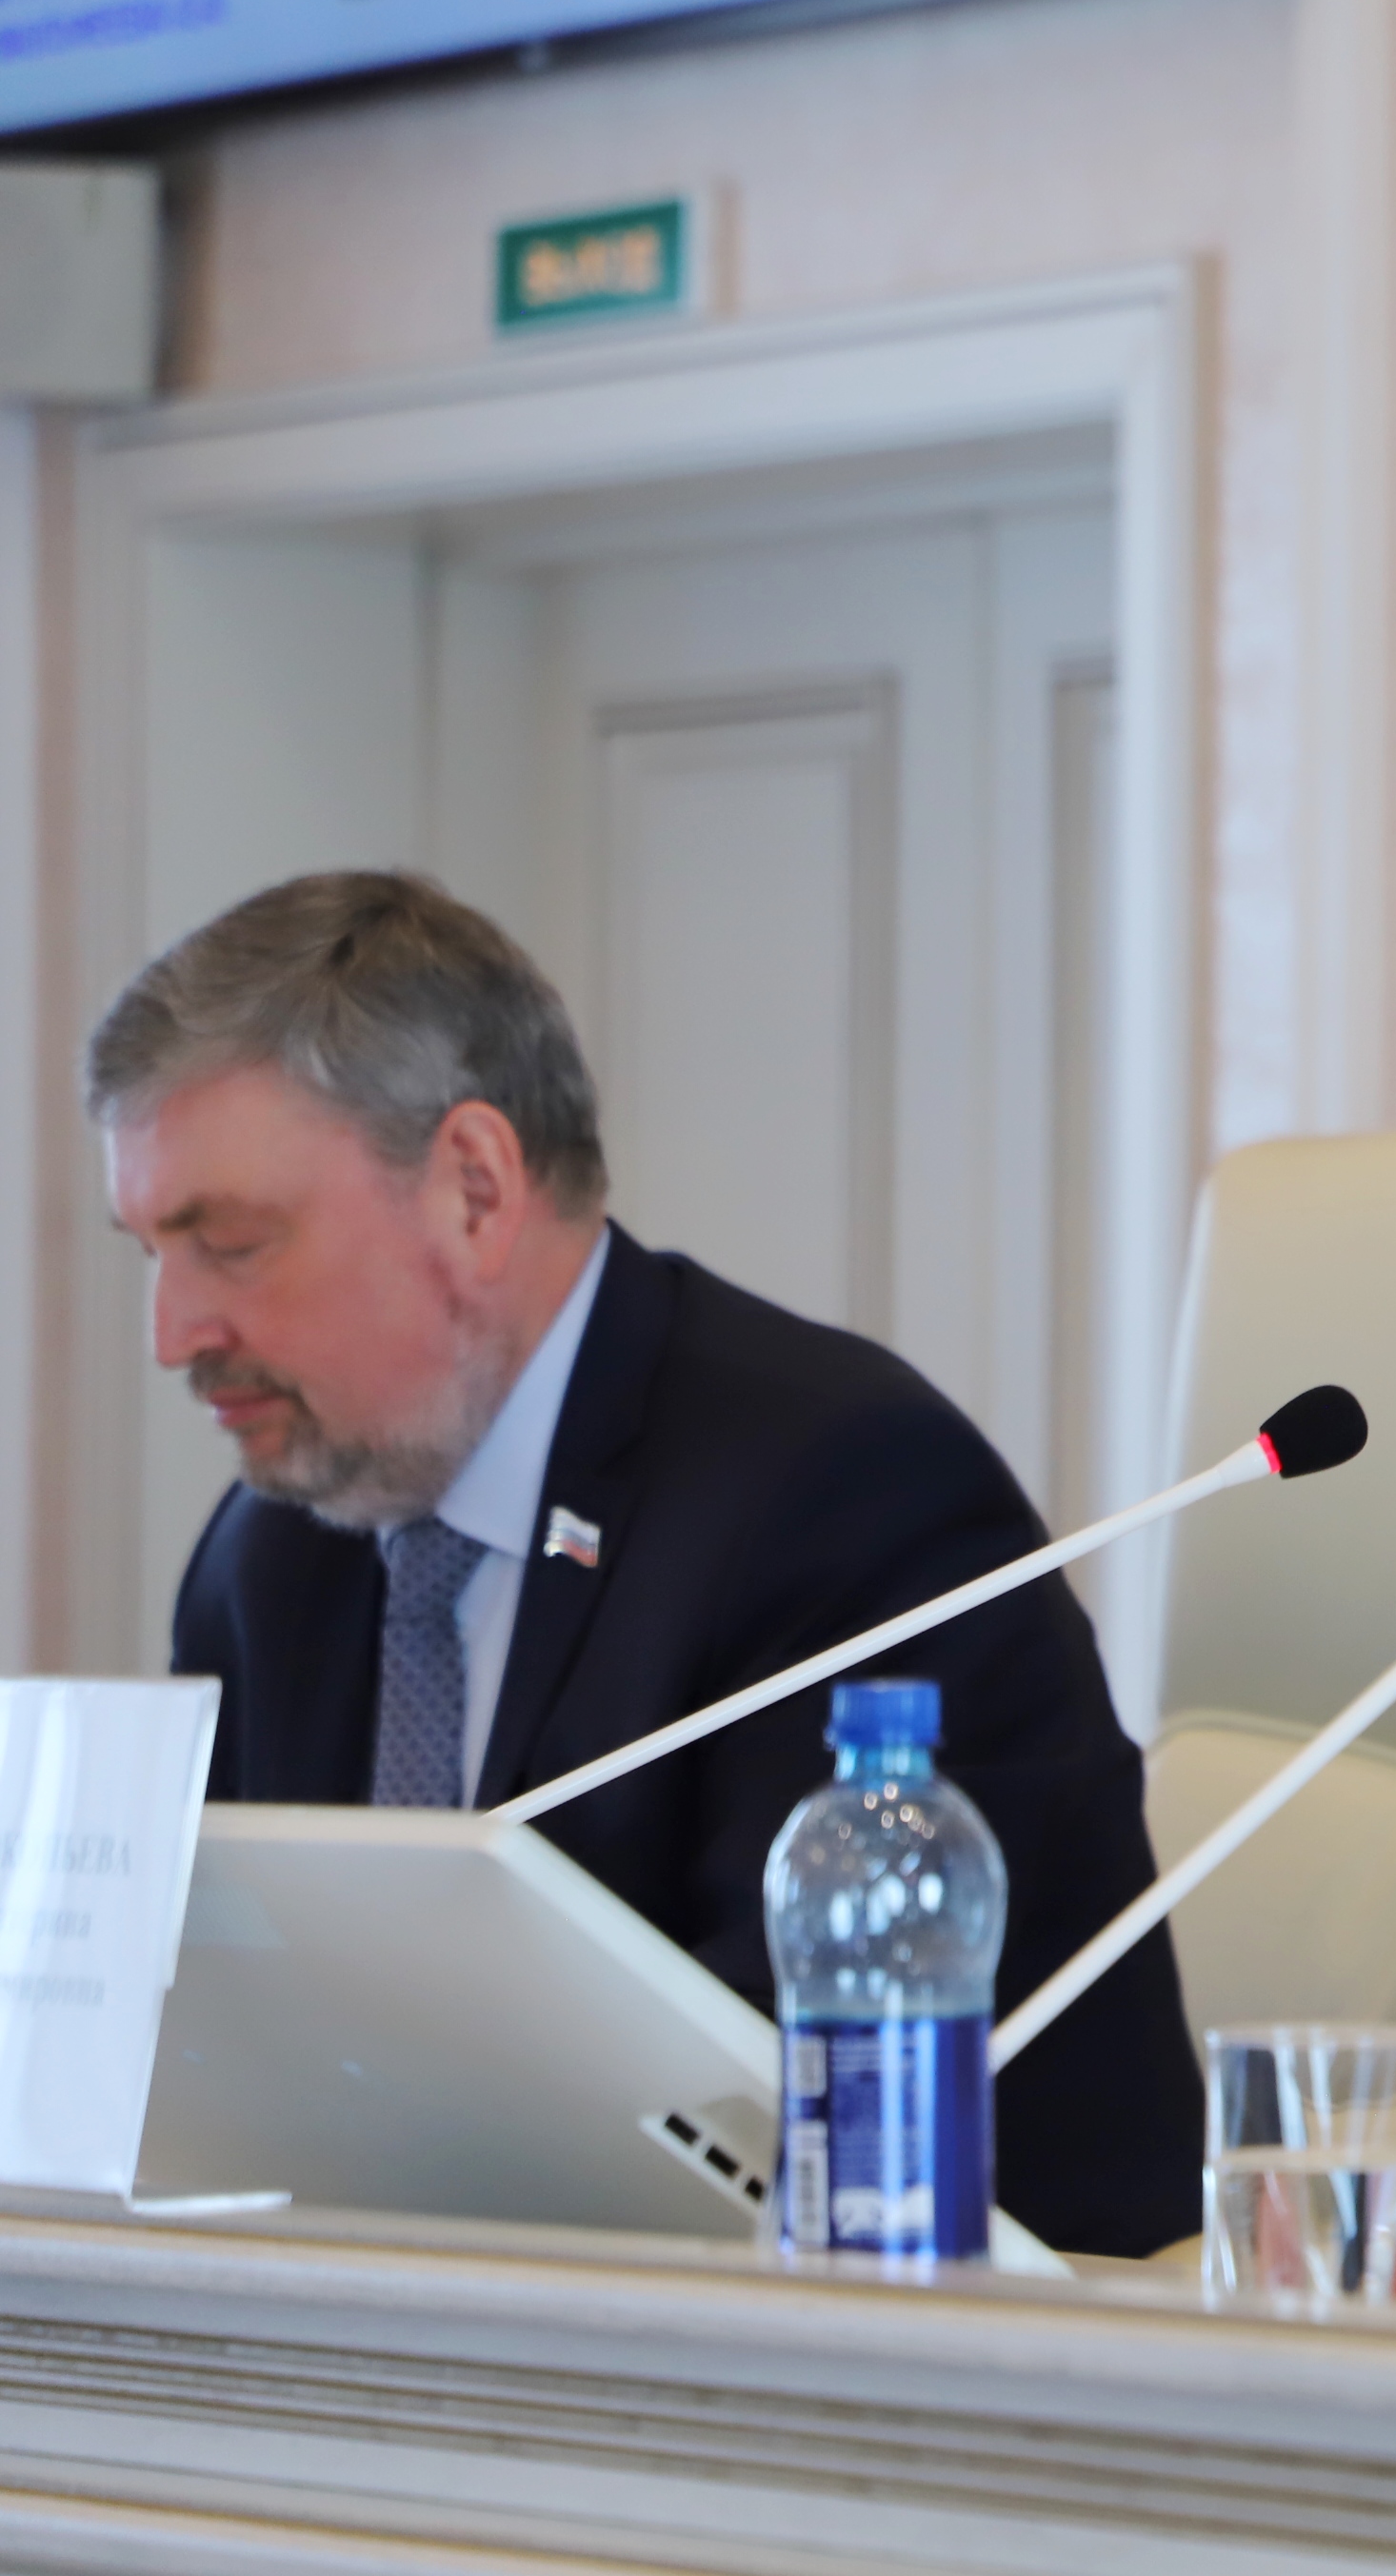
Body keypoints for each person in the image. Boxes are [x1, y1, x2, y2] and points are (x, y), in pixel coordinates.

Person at [91, 872, 1201, 2258]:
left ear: (475, 1189)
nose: (174, 1333)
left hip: (933, 2336)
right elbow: (230, 2035)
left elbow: (779, 2099)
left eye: (232, 1244)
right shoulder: (272, 1558)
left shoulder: (845, 1487)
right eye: (150, 1254)